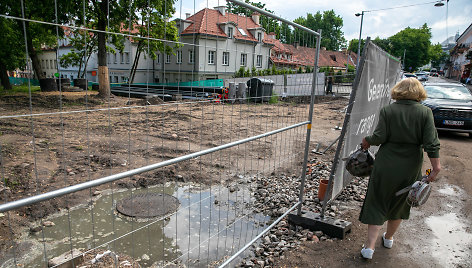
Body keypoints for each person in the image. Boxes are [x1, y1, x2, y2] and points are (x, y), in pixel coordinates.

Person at [359, 77, 441, 260]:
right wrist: (435, 167)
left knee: (377, 201)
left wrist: (367, 141)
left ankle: (369, 248)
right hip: (410, 166)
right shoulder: (425, 113)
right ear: (418, 93)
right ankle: (388, 238)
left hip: (385, 164)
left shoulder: (388, 110)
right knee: (400, 203)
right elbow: (431, 143)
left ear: (398, 91)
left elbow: (379, 137)